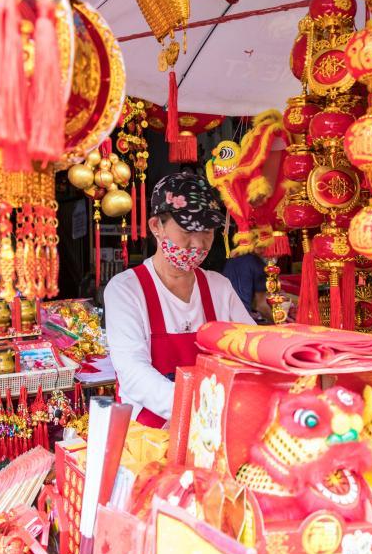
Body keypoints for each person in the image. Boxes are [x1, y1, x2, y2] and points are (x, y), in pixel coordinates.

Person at [104, 173, 254, 428]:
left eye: (206, 231)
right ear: (156, 226)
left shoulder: (219, 287)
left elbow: (251, 349)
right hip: (150, 434)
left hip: (212, 429)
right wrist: (198, 408)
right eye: (187, 231)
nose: (198, 243)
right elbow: (133, 373)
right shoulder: (126, 289)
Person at [223, 253, 271, 322]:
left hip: (223, 316)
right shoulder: (259, 265)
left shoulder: (232, 259)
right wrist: (279, 323)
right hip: (241, 321)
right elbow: (261, 307)